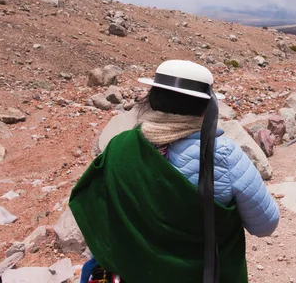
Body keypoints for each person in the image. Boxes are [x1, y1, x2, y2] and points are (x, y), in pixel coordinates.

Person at [70, 60, 279, 283]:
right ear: (205, 107)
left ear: (151, 99)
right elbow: (265, 224)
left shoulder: (120, 146)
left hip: (132, 273)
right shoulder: (223, 156)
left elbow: (94, 206)